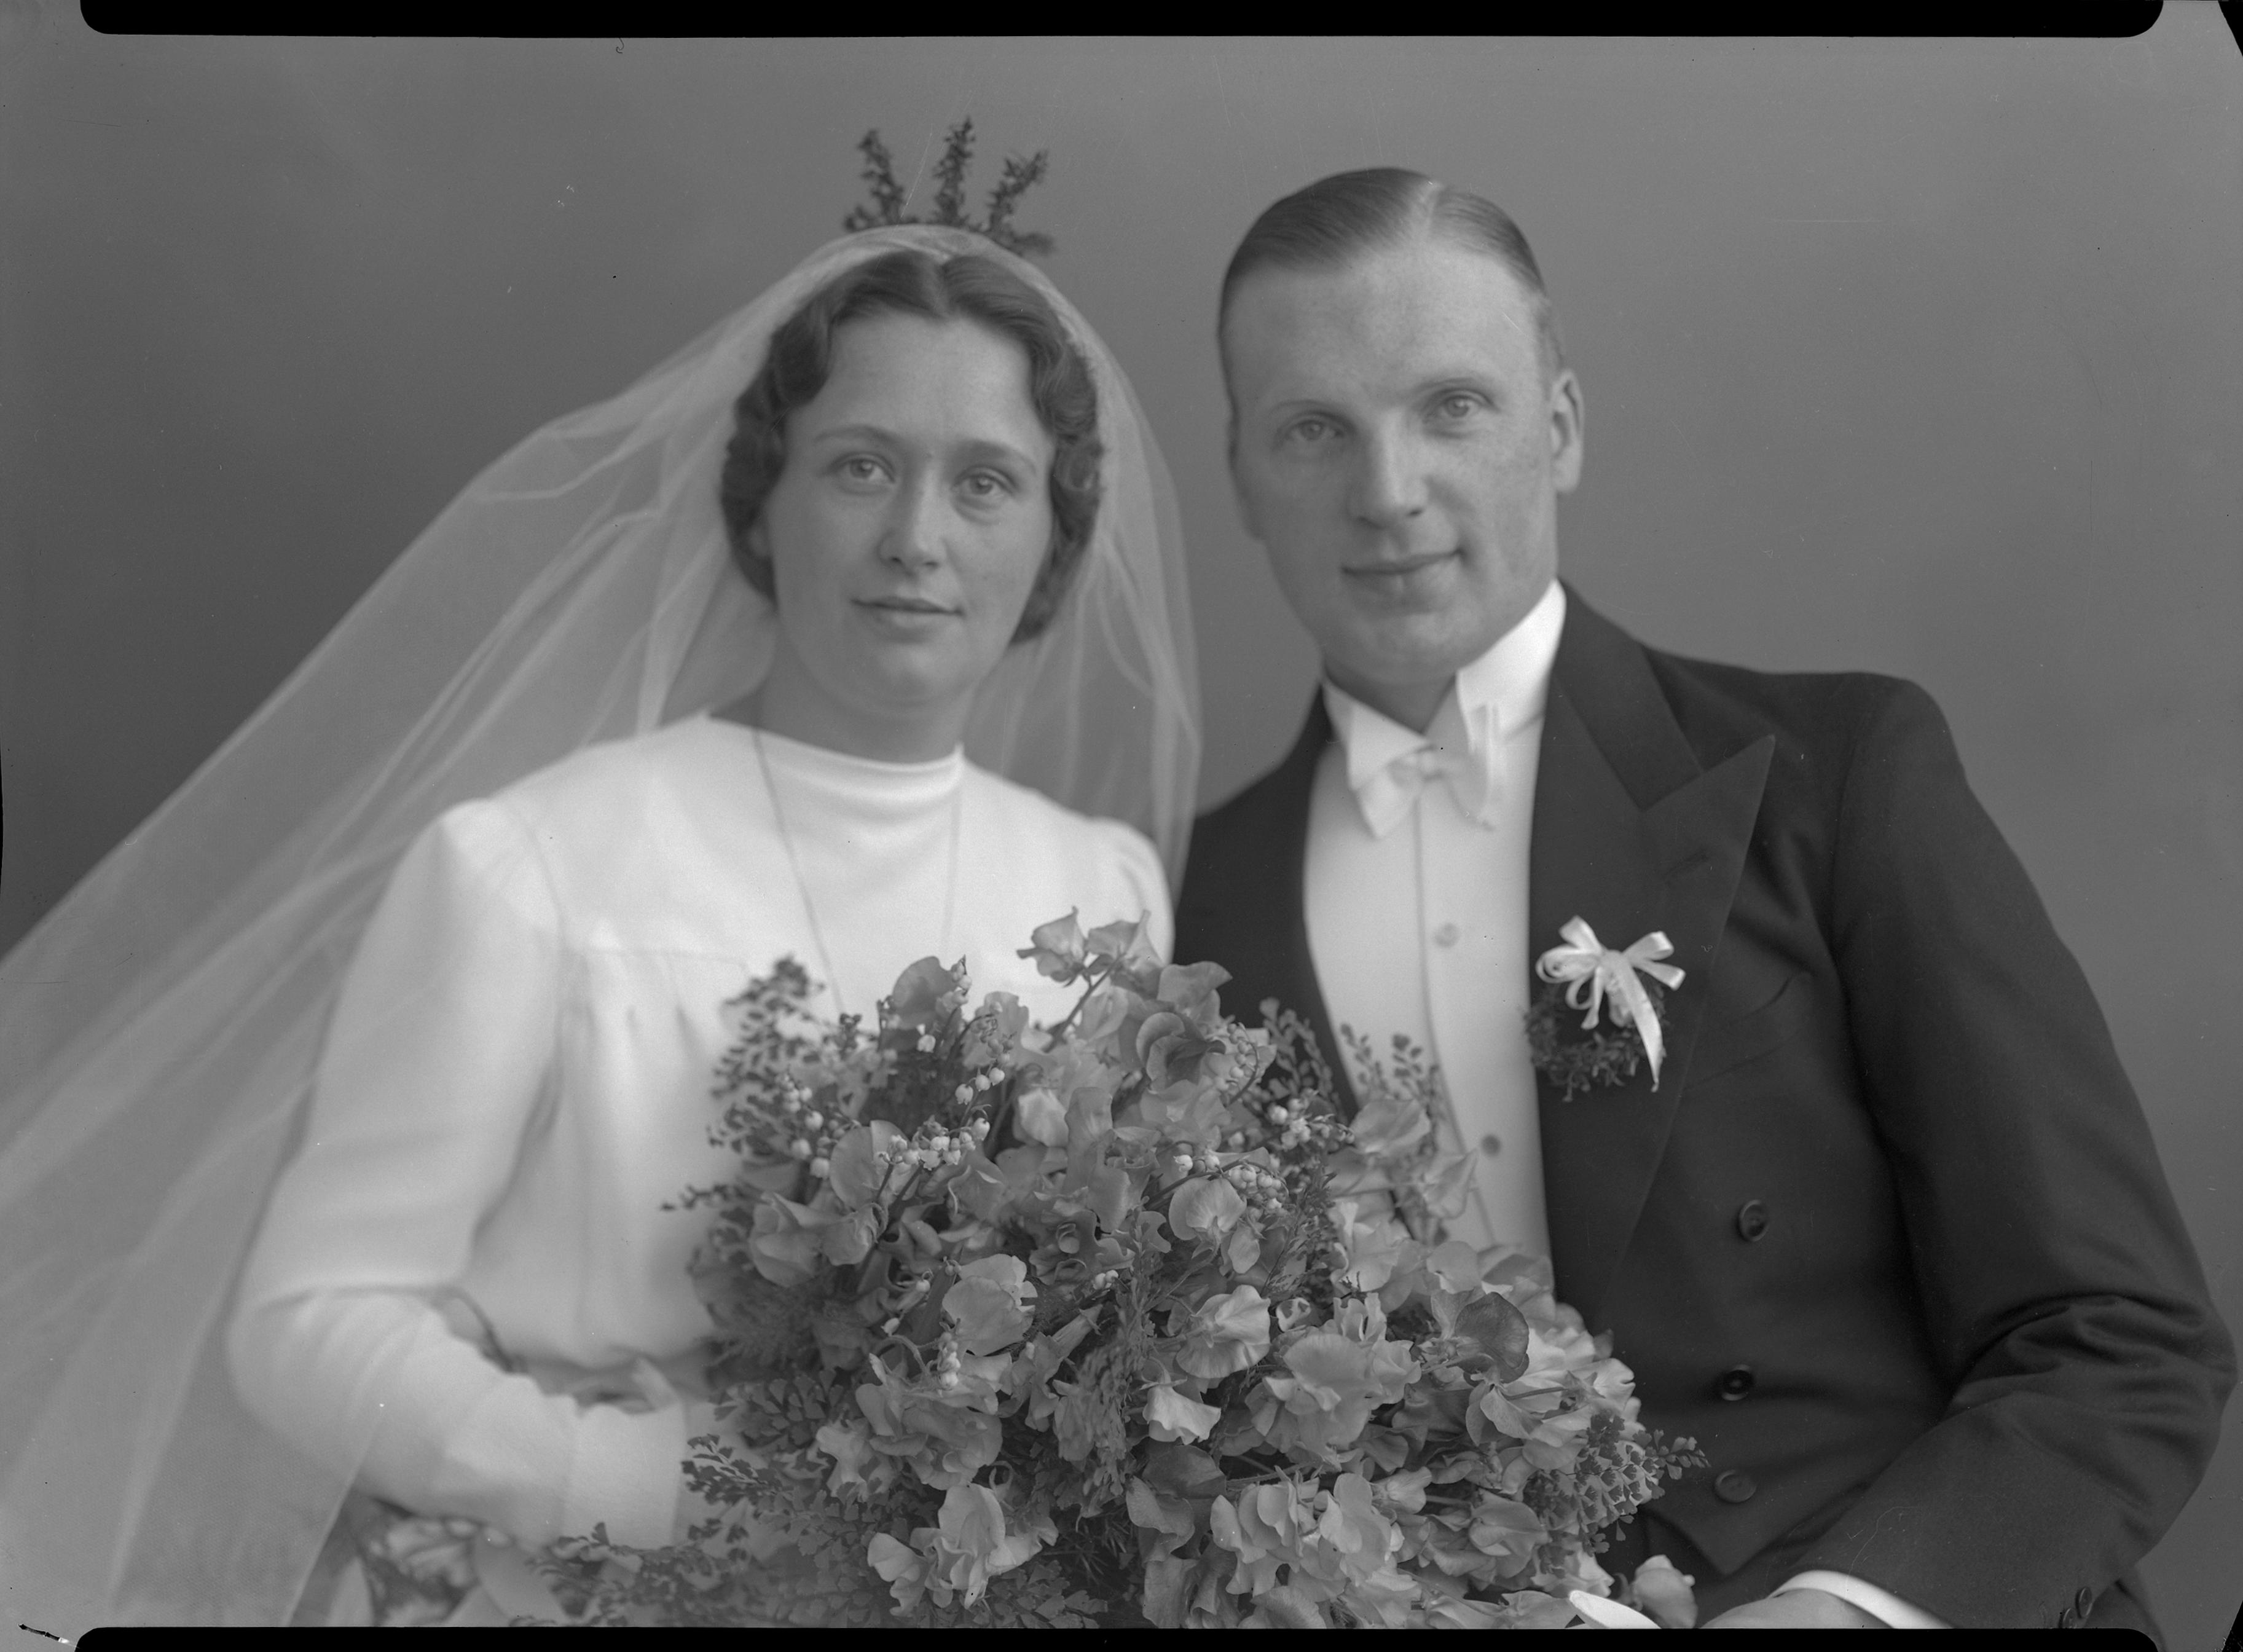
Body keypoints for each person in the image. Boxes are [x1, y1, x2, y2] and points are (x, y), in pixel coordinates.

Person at [0, 223, 1197, 1630]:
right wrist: (642, 1487)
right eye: (860, 466)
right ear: (763, 504)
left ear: (1056, 535)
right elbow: (305, 1322)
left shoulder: (1102, 888)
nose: (915, 539)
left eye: (984, 482)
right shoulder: (532, 867)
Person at [1175, 168, 2230, 1634]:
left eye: (1450, 407)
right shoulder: (1184, 913)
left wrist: (1842, 1611)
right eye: (1313, 429)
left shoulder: (1838, 773)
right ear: (1239, 475)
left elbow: (2119, 1334)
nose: (1387, 490)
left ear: (1559, 427)